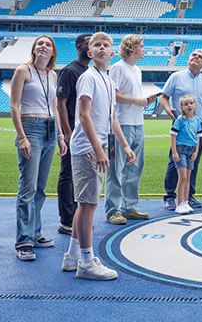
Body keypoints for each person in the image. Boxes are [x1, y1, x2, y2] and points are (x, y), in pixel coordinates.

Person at [62, 32, 135, 280]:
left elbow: (112, 118)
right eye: (97, 45)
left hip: (97, 146)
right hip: (87, 149)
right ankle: (85, 261)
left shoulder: (106, 79)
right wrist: (98, 148)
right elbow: (84, 115)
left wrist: (124, 145)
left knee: (85, 204)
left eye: (106, 45)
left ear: (112, 53)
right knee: (89, 205)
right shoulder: (88, 78)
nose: (102, 48)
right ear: (89, 53)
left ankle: (72, 256)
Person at [10, 35, 68, 261]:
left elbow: (54, 106)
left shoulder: (52, 75)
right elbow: (14, 106)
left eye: (48, 44)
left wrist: (61, 136)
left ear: (53, 52)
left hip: (50, 129)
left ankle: (35, 232)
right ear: (34, 49)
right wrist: (22, 136)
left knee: (41, 187)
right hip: (31, 127)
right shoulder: (23, 71)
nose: (43, 46)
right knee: (28, 187)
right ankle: (23, 240)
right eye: (40, 43)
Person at [104, 35, 156, 224]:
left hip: (137, 122)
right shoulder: (118, 68)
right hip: (122, 123)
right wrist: (137, 101)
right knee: (117, 168)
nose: (143, 49)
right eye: (141, 46)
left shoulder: (137, 69)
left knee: (134, 166)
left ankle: (128, 207)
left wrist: (142, 102)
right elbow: (113, 95)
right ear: (132, 47)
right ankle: (113, 210)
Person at [160, 49, 202, 210]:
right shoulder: (176, 77)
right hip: (181, 125)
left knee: (194, 160)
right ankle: (170, 196)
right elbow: (164, 97)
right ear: (188, 59)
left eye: (200, 57)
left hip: (199, 125)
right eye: (193, 55)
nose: (196, 58)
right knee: (176, 159)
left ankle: (188, 195)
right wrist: (168, 110)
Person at [56, 33, 91, 235]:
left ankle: (77, 216)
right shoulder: (70, 71)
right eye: (88, 42)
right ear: (79, 46)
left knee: (81, 175)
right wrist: (67, 131)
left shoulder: (91, 71)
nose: (91, 46)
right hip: (73, 130)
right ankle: (67, 219)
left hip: (86, 132)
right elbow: (61, 102)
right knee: (68, 174)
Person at [170, 95, 202, 214]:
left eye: (191, 103)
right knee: (182, 177)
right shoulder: (180, 120)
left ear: (195, 105)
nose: (189, 105)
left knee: (188, 178)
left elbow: (198, 137)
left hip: (191, 150)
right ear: (182, 108)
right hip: (181, 149)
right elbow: (173, 135)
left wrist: (196, 151)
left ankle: (185, 201)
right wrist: (174, 151)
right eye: (186, 104)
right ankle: (179, 202)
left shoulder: (197, 120)